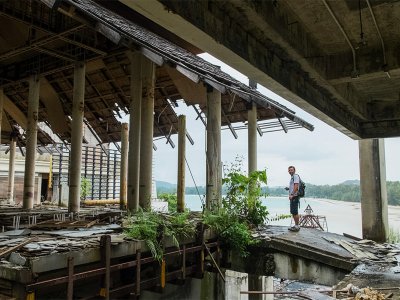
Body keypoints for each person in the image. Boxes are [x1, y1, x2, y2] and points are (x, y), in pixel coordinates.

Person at [286, 165, 300, 231]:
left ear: (294, 170)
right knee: (293, 211)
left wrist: (292, 194)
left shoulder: (295, 176)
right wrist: (288, 188)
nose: (290, 171)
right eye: (289, 170)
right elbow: (293, 186)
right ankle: (296, 225)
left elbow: (296, 186)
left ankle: (297, 226)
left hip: (294, 196)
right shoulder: (292, 177)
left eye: (291, 170)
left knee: (295, 212)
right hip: (293, 196)